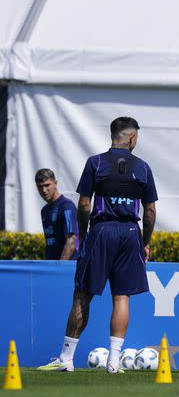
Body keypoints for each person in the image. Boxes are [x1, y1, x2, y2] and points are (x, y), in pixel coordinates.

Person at [38, 117, 157, 373]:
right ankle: (114, 361)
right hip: (129, 232)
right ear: (132, 138)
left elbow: (83, 204)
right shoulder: (143, 167)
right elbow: (149, 211)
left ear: (113, 135)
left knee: (83, 294)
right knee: (122, 297)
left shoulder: (96, 162)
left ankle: (66, 358)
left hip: (101, 230)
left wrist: (83, 233)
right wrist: (145, 243)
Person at [35, 168, 78, 260]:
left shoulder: (67, 206)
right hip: (51, 267)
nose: (44, 190)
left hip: (65, 268)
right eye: (40, 186)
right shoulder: (44, 210)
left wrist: (60, 267)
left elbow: (71, 240)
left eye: (47, 185)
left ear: (55, 183)